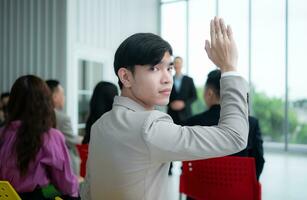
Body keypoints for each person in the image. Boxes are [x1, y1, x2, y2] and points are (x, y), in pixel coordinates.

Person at [81, 17, 249, 200]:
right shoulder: (149, 127)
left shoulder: (100, 126)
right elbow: (235, 137)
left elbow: (87, 191)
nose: (167, 78)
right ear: (126, 77)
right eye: (154, 69)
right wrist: (229, 67)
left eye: (168, 68)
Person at [0, 75, 79, 199]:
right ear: (45, 102)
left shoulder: (3, 133)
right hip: (39, 195)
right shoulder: (50, 136)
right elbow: (66, 185)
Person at [185, 69, 265, 180]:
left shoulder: (191, 123)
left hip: (199, 193)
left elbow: (186, 165)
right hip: (238, 192)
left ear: (209, 93)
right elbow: (259, 161)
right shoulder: (251, 123)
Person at [46, 80, 81, 176]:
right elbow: (71, 140)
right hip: (64, 168)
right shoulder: (62, 118)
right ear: (55, 96)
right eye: (63, 94)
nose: (64, 97)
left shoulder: (39, 116)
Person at [167, 56, 197, 125]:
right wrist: (170, 104)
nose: (177, 65)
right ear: (173, 65)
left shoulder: (189, 80)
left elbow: (194, 96)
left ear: (182, 65)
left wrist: (184, 104)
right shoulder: (168, 79)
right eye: (175, 63)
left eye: (178, 63)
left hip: (186, 115)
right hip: (172, 115)